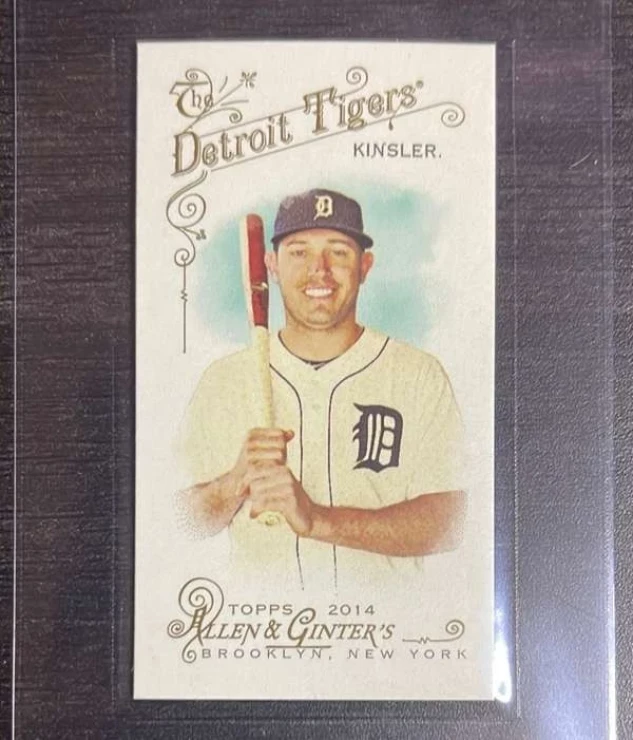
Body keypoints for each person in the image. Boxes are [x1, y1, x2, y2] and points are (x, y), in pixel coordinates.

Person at [178, 188, 465, 592]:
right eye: (299, 252)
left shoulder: (417, 374)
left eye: (338, 252)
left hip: (382, 622)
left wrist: (317, 520)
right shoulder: (223, 380)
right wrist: (234, 482)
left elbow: (453, 521)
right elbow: (177, 525)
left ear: (365, 266)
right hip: (262, 622)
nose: (320, 270)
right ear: (272, 265)